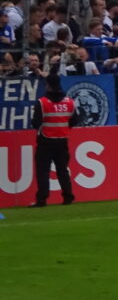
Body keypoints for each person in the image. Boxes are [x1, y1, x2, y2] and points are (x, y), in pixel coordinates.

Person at [31, 74, 81, 206]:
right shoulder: (69, 102)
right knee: (62, 170)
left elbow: (36, 123)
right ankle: (68, 197)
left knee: (43, 171)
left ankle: (42, 199)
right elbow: (74, 121)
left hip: (45, 140)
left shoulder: (42, 102)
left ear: (48, 85)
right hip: (62, 140)